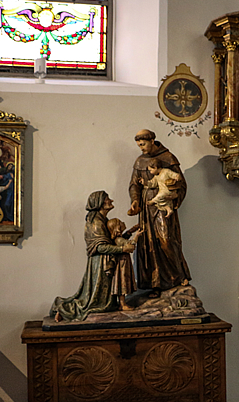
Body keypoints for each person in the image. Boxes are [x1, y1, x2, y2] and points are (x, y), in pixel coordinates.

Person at [50, 191, 135, 322]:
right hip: (100, 263)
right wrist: (123, 248)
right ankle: (64, 310)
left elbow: (113, 239)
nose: (111, 200)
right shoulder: (96, 222)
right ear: (99, 202)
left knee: (101, 301)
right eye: (107, 199)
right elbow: (100, 247)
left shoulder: (102, 219)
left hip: (105, 262)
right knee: (93, 302)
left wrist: (128, 233)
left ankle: (65, 310)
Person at [128, 129, 191, 293]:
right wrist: (135, 201)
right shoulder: (140, 161)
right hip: (147, 207)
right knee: (150, 244)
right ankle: (155, 284)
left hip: (163, 206)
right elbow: (134, 184)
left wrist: (174, 192)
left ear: (151, 141)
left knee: (166, 240)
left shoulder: (168, 158)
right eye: (139, 145)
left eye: (143, 144)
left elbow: (181, 183)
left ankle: (177, 278)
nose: (141, 148)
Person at [106, 217, 141, 310]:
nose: (122, 223)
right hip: (122, 264)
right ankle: (123, 304)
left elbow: (124, 237)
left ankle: (122, 304)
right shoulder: (118, 240)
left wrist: (132, 230)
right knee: (122, 283)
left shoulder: (118, 238)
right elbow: (130, 244)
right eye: (120, 223)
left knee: (123, 283)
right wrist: (137, 235)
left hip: (122, 263)